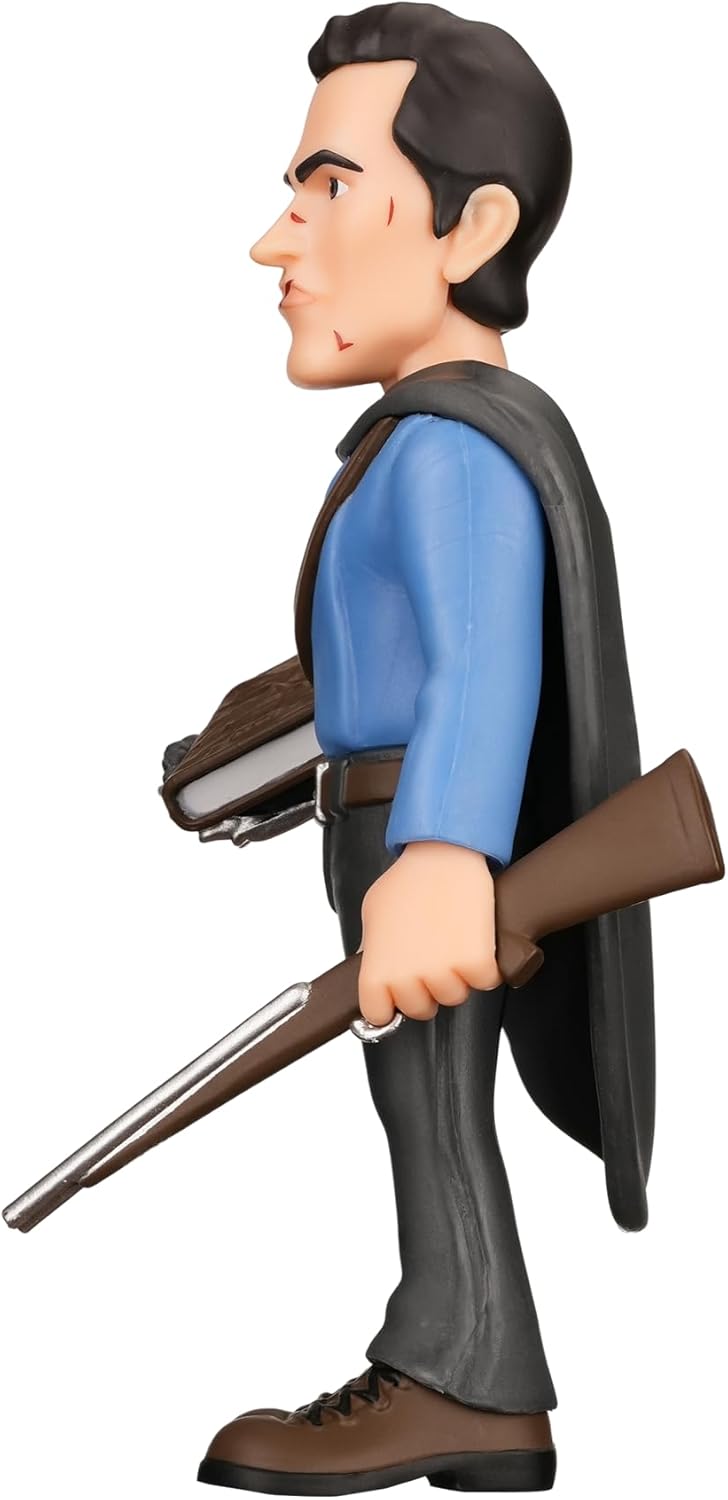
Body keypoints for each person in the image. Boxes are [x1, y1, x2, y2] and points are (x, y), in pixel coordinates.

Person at [197, 5, 654, 1492]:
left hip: (417, 849)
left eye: (330, 189)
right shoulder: (417, 445)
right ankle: (467, 1371)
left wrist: (446, 854)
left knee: (433, 1110)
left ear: (474, 228)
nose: (278, 243)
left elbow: (481, 661)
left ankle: (467, 1378)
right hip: (381, 833)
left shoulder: (456, 451)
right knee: (420, 1105)